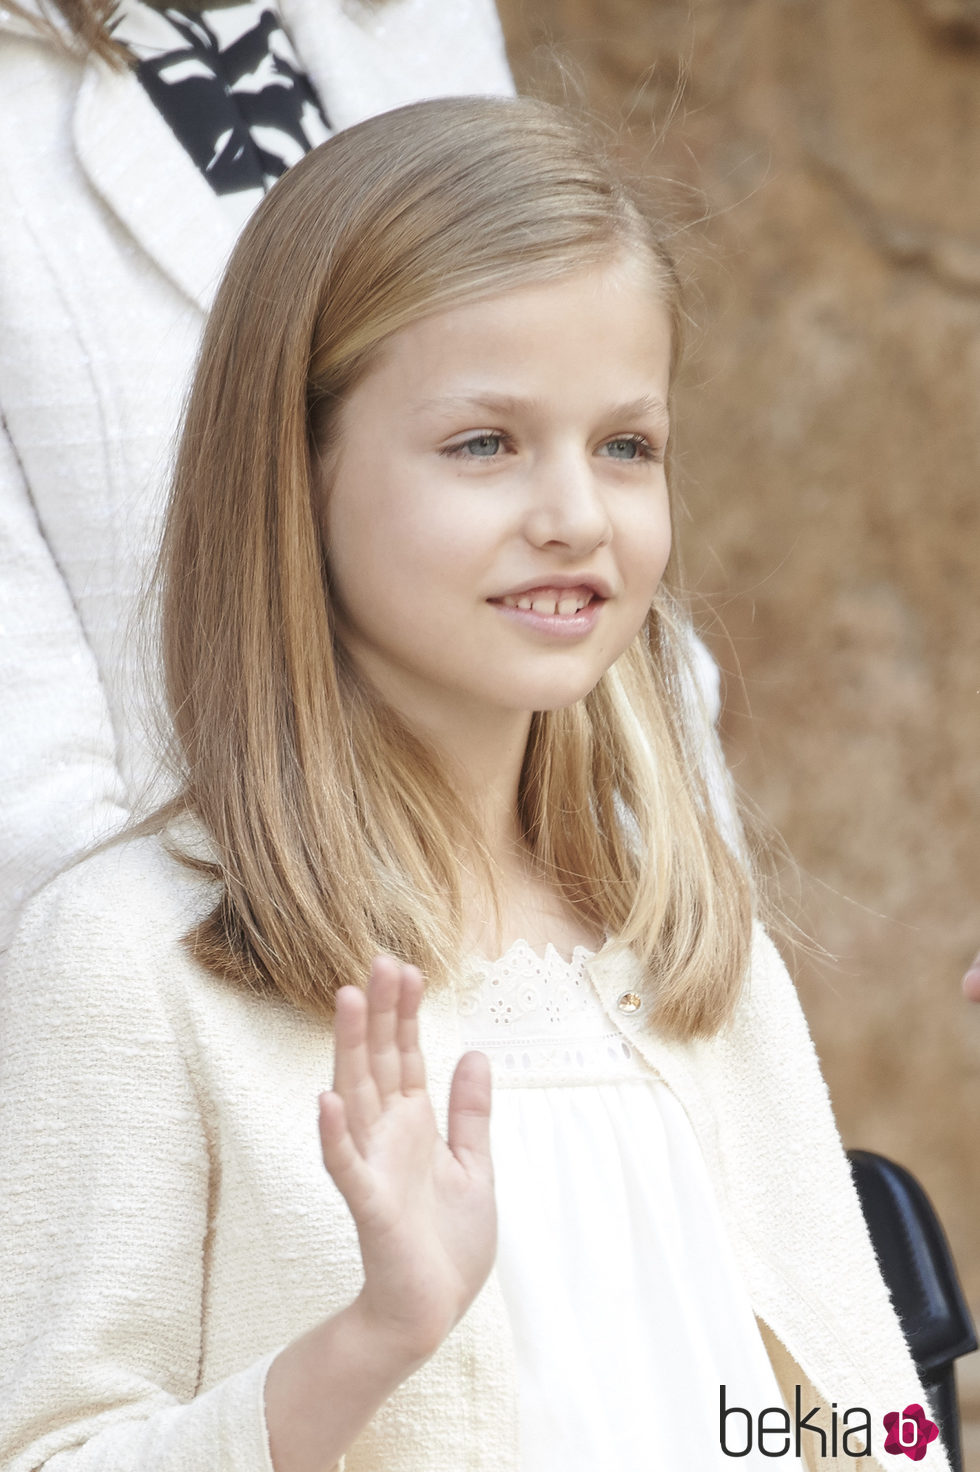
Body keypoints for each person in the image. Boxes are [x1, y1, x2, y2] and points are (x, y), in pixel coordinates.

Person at [0, 97, 945, 1472]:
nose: (574, 510)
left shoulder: (693, 954)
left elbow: (866, 1423)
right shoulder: (132, 963)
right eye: (483, 443)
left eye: (626, 445)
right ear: (296, 471)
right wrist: (366, 1344)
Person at [0, 0, 514, 953]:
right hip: (211, 991)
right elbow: (26, 790)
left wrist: (647, 934)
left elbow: (566, 437)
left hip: (538, 947)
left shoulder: (418, 22)